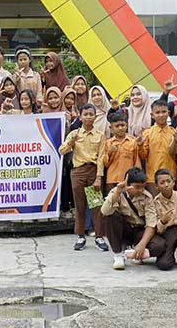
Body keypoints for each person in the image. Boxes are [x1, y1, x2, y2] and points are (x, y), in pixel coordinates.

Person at [59, 104, 108, 252]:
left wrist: (99, 177)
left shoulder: (100, 135)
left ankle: (99, 236)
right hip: (78, 172)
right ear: (80, 117)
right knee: (79, 205)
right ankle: (80, 236)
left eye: (91, 114)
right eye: (85, 114)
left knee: (96, 205)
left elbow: (101, 158)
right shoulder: (74, 134)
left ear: (95, 117)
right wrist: (70, 143)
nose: (88, 117)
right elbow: (61, 151)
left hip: (93, 171)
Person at [101, 167, 163, 270]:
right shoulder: (117, 191)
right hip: (123, 229)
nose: (141, 190)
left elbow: (151, 224)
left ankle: (135, 253)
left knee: (159, 245)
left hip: (139, 230)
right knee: (110, 216)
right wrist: (118, 192)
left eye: (143, 187)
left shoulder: (147, 197)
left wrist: (142, 244)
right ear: (128, 185)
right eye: (137, 187)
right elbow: (104, 212)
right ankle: (118, 255)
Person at [138, 100, 177, 196]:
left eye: (164, 112)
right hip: (152, 176)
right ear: (152, 115)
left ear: (168, 113)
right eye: (157, 112)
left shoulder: (174, 132)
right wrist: (140, 145)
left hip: (171, 175)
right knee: (155, 203)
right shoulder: (147, 133)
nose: (161, 115)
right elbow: (143, 155)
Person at [102, 111, 140, 193]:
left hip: (128, 179)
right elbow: (105, 164)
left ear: (126, 126)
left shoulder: (133, 142)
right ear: (111, 128)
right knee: (113, 203)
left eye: (122, 125)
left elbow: (136, 162)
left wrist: (137, 179)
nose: (120, 128)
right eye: (117, 126)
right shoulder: (108, 143)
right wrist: (109, 152)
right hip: (112, 179)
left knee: (127, 204)